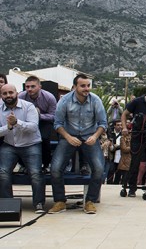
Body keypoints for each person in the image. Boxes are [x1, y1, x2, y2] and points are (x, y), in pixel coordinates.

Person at [49, 74, 108, 214]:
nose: (86, 88)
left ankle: (90, 201)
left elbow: (103, 123)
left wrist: (95, 137)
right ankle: (60, 201)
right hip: (69, 136)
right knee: (55, 168)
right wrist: (68, 137)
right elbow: (57, 124)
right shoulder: (65, 101)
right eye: (83, 86)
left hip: (89, 137)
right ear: (75, 86)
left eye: (88, 85)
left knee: (99, 169)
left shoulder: (96, 100)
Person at [0, 84, 45, 214]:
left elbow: (33, 128)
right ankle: (7, 206)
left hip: (30, 144)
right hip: (10, 145)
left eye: (11, 93)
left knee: (36, 173)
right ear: (1, 95)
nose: (8, 96)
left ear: (16, 93)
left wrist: (17, 123)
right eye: (5, 93)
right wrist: (7, 127)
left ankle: (39, 204)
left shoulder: (28, 107)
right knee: (2, 172)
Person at [18, 76, 57, 173]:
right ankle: (24, 165)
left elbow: (54, 116)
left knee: (44, 138)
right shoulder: (21, 97)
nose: (29, 89)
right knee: (20, 138)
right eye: (27, 87)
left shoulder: (49, 97)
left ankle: (46, 164)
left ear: (40, 86)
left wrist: (39, 116)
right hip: (26, 121)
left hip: (44, 121)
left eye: (32, 86)